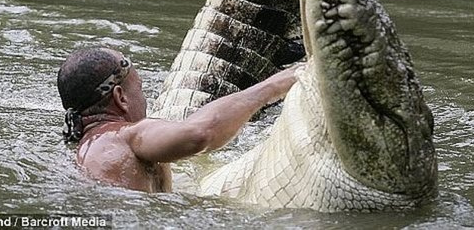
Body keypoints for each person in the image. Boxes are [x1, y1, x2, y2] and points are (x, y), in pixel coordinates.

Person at [57, 47, 298, 193]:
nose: (144, 97)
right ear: (121, 97)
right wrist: (275, 86)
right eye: (139, 88)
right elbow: (199, 134)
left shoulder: (85, 151)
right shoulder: (125, 136)